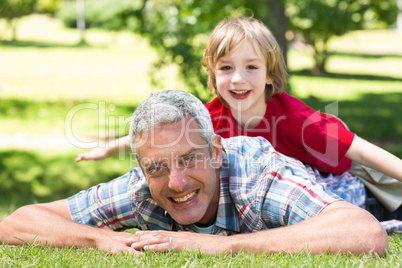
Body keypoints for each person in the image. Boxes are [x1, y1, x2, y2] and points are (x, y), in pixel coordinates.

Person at [75, 16, 402, 221]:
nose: (238, 79)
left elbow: (360, 150)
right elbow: (164, 134)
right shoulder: (211, 115)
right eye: (226, 68)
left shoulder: (296, 119)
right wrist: (109, 148)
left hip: (331, 184)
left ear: (270, 75)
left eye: (251, 67)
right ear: (213, 74)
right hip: (273, 190)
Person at [0, 90, 388, 256]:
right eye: (157, 168)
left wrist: (220, 246)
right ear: (142, 170)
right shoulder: (141, 189)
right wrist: (100, 241)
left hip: (352, 191)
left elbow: (364, 232)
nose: (176, 182)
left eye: (188, 160)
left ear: (216, 151)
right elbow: (16, 224)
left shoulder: (259, 178)